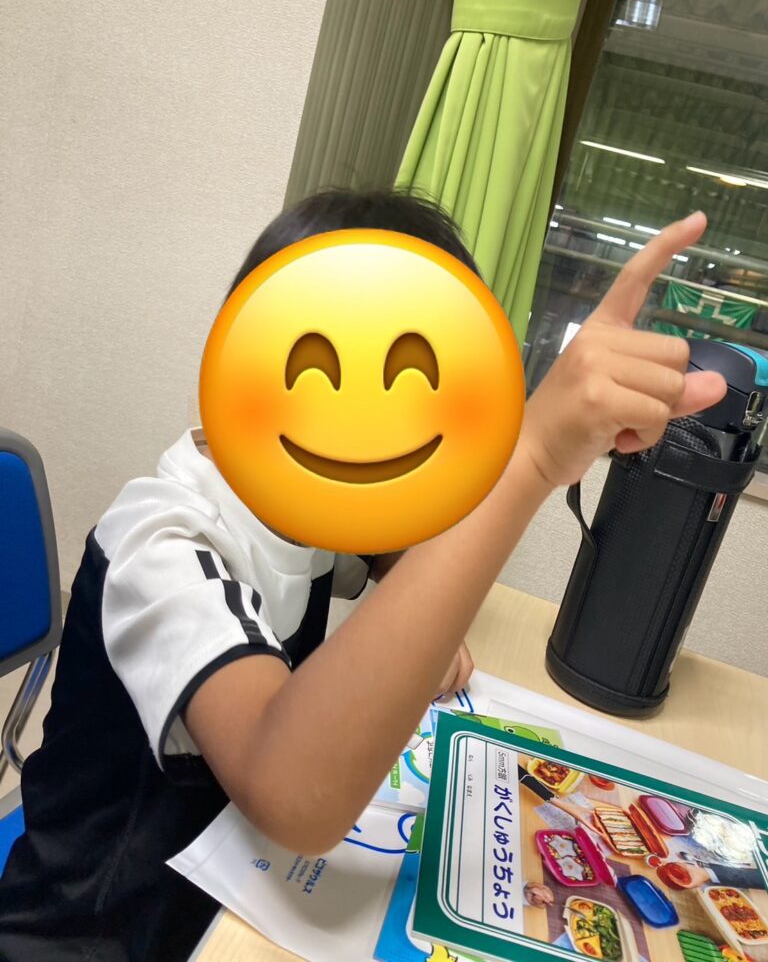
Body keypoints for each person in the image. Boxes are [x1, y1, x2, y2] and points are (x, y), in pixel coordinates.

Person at [0, 190, 726, 961]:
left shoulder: (314, 509)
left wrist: (413, 620)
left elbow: (391, 548)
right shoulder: (162, 544)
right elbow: (295, 796)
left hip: (226, 897)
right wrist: (532, 458)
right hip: (90, 936)